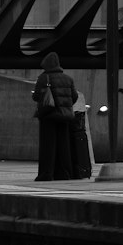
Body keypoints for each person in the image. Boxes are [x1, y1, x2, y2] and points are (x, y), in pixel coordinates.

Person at [31, 51, 78, 181]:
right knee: (64, 145)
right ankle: (64, 173)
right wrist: (64, 106)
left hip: (48, 116)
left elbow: (36, 97)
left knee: (48, 146)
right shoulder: (68, 78)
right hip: (64, 116)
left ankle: (47, 174)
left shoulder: (43, 78)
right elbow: (74, 96)